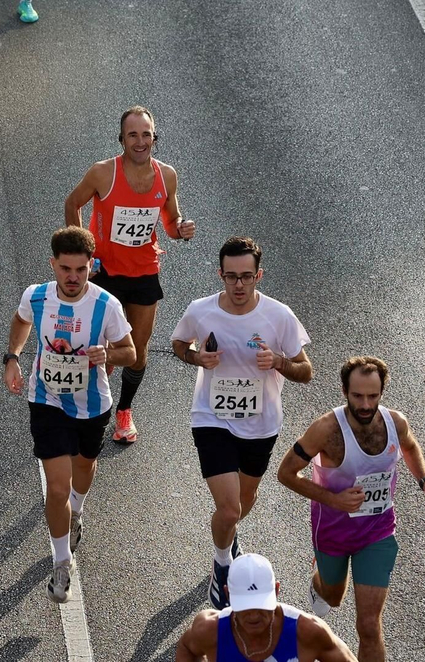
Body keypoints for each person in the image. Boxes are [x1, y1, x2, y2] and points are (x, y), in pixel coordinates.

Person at [275, 356, 425, 662]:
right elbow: (286, 473)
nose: (366, 404)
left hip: (377, 532)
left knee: (369, 625)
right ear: (344, 391)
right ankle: (320, 579)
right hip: (332, 532)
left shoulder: (395, 423)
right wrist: (334, 500)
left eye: (373, 396)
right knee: (333, 596)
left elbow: (409, 446)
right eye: (358, 396)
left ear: (382, 392)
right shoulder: (326, 429)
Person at [172, 236, 312, 608]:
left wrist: (278, 362)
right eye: (231, 276)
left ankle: (226, 535)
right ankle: (222, 568)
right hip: (211, 417)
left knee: (245, 499)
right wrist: (196, 358)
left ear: (258, 276)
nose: (238, 285)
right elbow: (179, 345)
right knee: (230, 508)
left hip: (261, 423)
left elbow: (306, 371)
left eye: (246, 277)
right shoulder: (201, 310)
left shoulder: (278, 316)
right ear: (220, 274)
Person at [3, 226, 133, 601]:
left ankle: (77, 509)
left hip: (92, 403)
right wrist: (12, 357)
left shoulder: (106, 305)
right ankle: (62, 562)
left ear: (91, 266)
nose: (73, 277)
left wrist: (108, 354)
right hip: (46, 398)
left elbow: (132, 353)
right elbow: (21, 320)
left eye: (80, 269)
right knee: (56, 485)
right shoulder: (37, 296)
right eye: (65, 269)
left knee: (84, 467)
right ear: (53, 265)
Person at [63, 104, 193, 444]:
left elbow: (170, 221)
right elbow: (72, 203)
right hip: (105, 270)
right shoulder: (103, 173)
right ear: (121, 139)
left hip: (144, 271)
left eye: (146, 135)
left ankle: (124, 411)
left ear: (154, 138)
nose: (140, 141)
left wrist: (181, 228)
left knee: (136, 349)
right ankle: (93, 407)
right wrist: (82, 253)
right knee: (99, 346)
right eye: (132, 135)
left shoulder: (167, 175)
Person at [175, 553, 355, 662]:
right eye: (245, 606)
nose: (253, 615)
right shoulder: (209, 629)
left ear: (277, 591)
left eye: (261, 605)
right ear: (228, 594)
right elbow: (187, 649)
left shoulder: (308, 631)